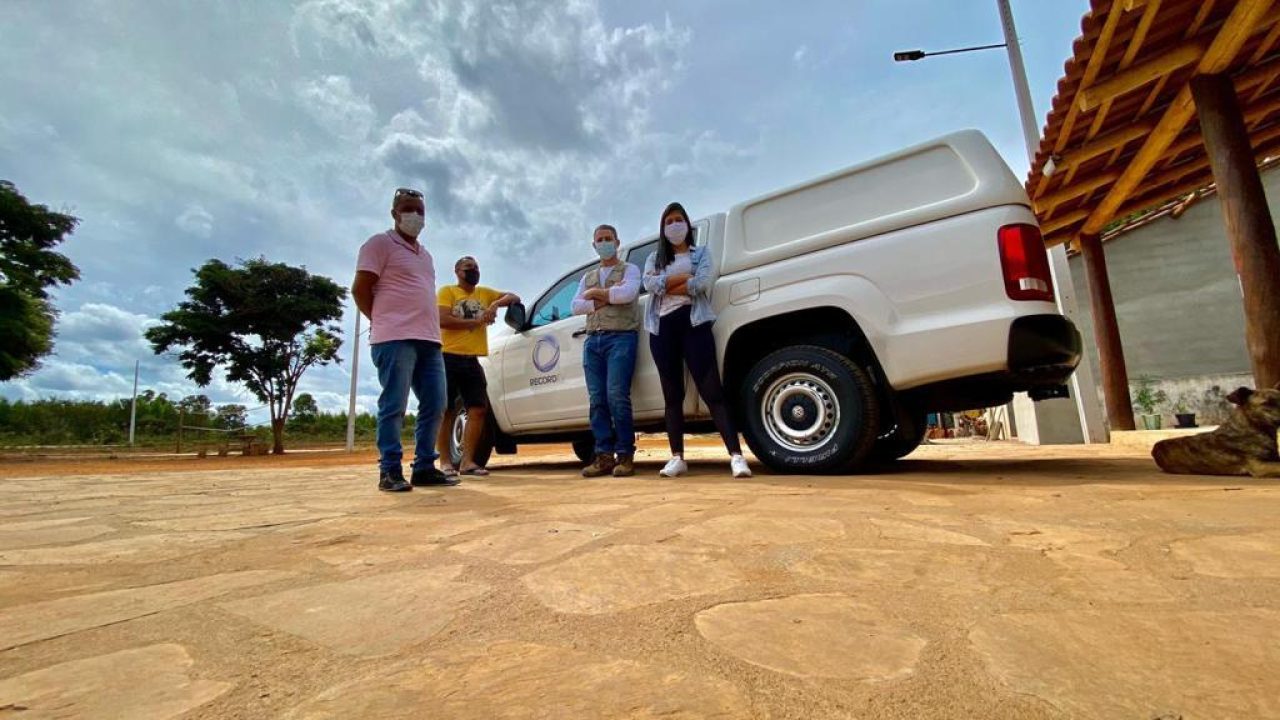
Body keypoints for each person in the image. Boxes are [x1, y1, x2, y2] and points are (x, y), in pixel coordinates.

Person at [352, 188, 457, 492]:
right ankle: (389, 470)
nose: (415, 216)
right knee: (394, 404)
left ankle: (424, 466)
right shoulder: (379, 244)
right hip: (394, 338)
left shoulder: (425, 255)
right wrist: (382, 320)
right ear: (395, 213)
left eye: (420, 211)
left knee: (437, 403)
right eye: (408, 209)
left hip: (430, 340)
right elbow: (360, 289)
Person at [642, 202, 752, 479]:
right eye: (669, 221)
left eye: (678, 220)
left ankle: (736, 456)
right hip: (662, 329)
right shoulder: (654, 258)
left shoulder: (701, 253)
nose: (674, 225)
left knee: (713, 391)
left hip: (694, 324)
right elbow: (649, 285)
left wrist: (666, 282)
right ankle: (677, 457)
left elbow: (702, 284)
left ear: (687, 225)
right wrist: (681, 279)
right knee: (672, 396)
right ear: (663, 228)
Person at [436, 256, 520, 476]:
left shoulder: (483, 292)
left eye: (476, 267)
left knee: (478, 409)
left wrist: (494, 305)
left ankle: (468, 462)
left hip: (473, 360)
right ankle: (445, 462)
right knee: (445, 411)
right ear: (457, 271)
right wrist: (476, 322)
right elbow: (442, 319)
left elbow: (513, 296)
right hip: (448, 357)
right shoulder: (448, 292)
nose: (473, 271)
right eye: (468, 268)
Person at [570, 224, 642, 477]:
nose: (604, 243)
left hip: (621, 338)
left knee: (617, 396)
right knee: (597, 400)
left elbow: (628, 293)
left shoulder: (630, 269)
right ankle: (603, 456)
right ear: (594, 245)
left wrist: (596, 295)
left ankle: (625, 455)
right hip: (593, 341)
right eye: (599, 240)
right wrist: (610, 295)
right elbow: (575, 307)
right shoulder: (586, 276)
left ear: (617, 241)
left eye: (608, 239)